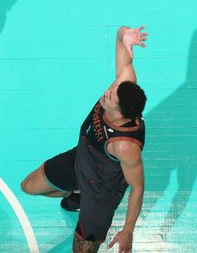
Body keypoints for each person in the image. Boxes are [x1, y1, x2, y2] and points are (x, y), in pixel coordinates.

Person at [20, 26, 148, 253]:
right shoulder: (123, 88)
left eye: (111, 97)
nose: (108, 92)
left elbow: (137, 188)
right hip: (80, 159)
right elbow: (122, 49)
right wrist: (124, 34)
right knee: (28, 187)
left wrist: (128, 230)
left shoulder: (124, 146)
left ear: (119, 115)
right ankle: (76, 193)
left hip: (101, 191)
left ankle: (84, 199)